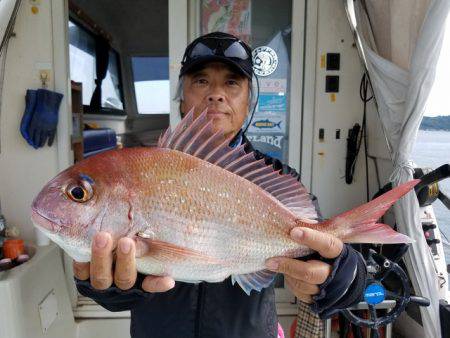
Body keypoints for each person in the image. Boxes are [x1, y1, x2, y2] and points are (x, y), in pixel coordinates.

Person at [74, 32, 367, 338]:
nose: (216, 94)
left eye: (231, 82)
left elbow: (324, 256)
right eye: (200, 81)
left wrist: (343, 276)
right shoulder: (142, 170)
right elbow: (116, 278)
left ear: (249, 98)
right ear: (181, 96)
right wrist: (111, 285)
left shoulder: (278, 178)